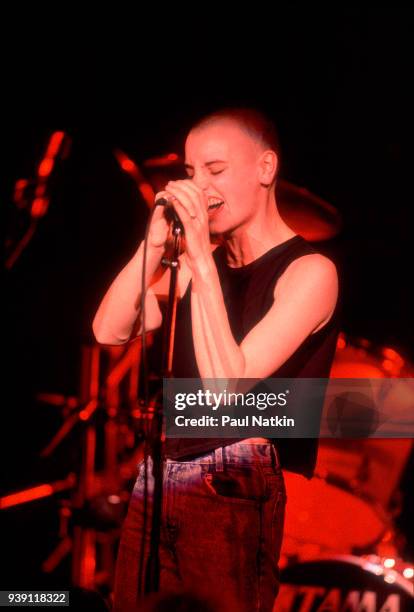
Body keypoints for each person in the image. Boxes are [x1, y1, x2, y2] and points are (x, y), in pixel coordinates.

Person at [93, 108, 339, 611]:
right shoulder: (198, 268)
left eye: (216, 169)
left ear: (265, 169)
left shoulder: (310, 271)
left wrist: (201, 257)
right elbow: (108, 329)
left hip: (231, 478)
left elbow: (229, 387)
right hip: (161, 474)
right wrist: (153, 244)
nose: (200, 186)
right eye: (190, 172)